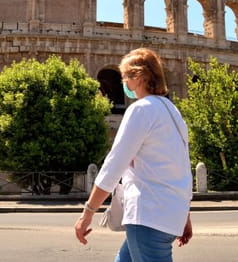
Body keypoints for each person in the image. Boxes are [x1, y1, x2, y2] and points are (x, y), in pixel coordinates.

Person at [74, 48, 193, 262]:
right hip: (168, 216)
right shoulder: (173, 113)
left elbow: (114, 165)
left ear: (138, 77)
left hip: (148, 215)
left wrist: (88, 212)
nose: (123, 84)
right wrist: (184, 215)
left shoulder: (141, 109)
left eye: (124, 78)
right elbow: (181, 168)